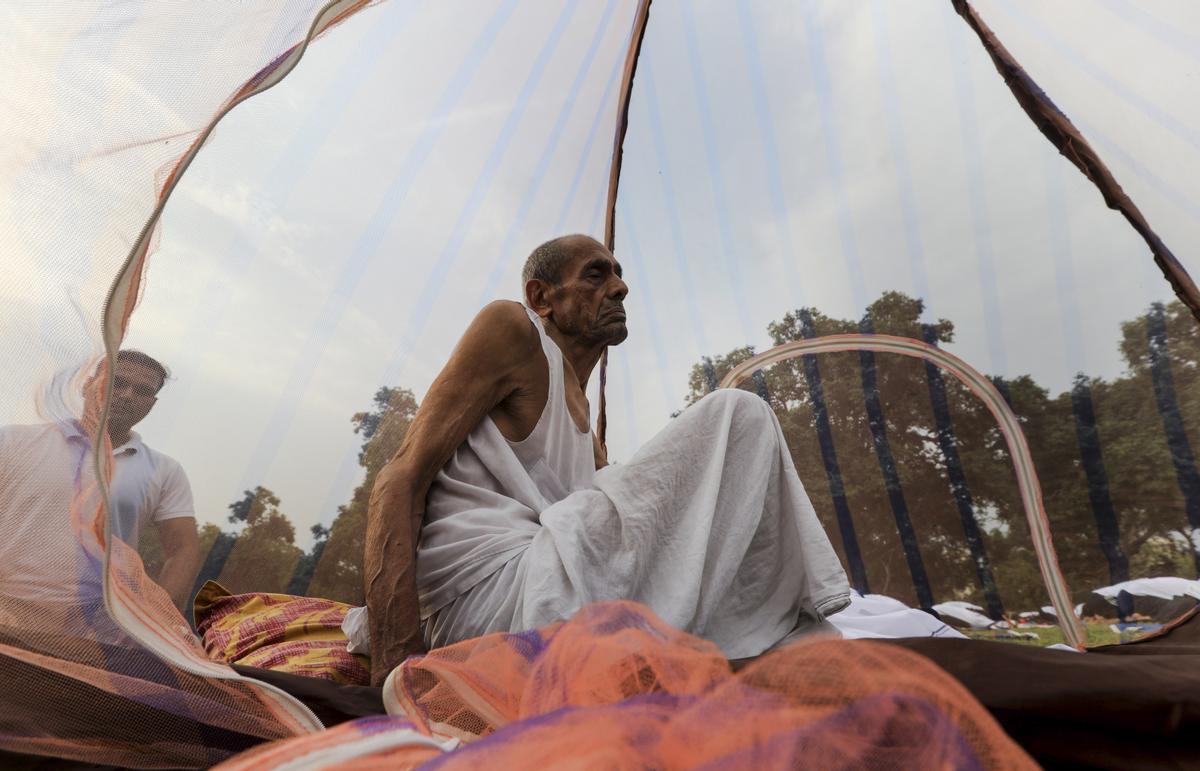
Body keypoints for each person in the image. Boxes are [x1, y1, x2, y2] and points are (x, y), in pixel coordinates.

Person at [360, 235, 849, 684]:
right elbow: (398, 478)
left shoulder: (587, 432)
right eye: (596, 275)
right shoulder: (513, 328)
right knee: (738, 413)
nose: (620, 287)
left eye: (618, 275)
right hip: (493, 596)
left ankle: (760, 636)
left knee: (785, 624)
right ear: (541, 297)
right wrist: (398, 665)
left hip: (548, 600)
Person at [0, 350, 201, 609]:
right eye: (117, 382)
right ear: (86, 384)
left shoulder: (165, 470)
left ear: (151, 404)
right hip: (6, 614)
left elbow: (184, 548)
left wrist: (158, 616)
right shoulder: (15, 441)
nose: (127, 395)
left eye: (141, 391)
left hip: (97, 633)